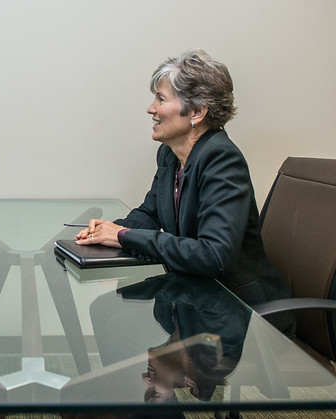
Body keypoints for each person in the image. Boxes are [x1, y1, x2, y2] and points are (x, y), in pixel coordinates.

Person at [76, 49, 293, 334]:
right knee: (106, 309)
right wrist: (111, 230)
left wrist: (124, 237)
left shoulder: (222, 160)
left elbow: (213, 255)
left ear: (197, 112)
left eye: (161, 99)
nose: (150, 109)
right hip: (196, 294)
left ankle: (158, 379)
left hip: (240, 310)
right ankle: (154, 380)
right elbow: (150, 212)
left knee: (116, 319)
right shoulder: (170, 155)